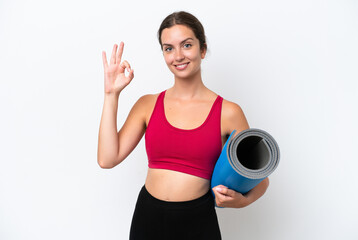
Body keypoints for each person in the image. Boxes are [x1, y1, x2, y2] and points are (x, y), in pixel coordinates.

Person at [97, 11, 269, 240]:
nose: (178, 56)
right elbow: (107, 159)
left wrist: (242, 201)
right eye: (169, 48)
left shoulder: (228, 112)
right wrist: (111, 95)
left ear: (203, 49)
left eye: (186, 45)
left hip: (198, 222)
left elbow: (260, 178)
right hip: (148, 218)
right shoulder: (147, 105)